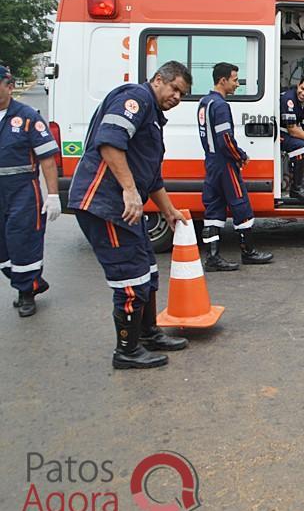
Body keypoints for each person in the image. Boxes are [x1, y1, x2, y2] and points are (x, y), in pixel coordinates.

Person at [67, 61, 192, 369]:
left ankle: (148, 333)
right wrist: (128, 189)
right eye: (174, 88)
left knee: (148, 270)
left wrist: (169, 211)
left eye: (183, 94)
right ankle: (127, 350)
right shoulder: (135, 98)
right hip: (105, 205)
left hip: (121, 208)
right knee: (130, 277)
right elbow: (110, 141)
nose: (177, 97)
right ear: (158, 79)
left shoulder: (153, 116)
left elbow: (152, 177)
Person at [198, 62, 273, 271]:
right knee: (241, 205)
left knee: (213, 208)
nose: (237, 84)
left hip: (211, 162)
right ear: (223, 81)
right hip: (225, 164)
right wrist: (240, 156)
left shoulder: (204, 102)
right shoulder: (221, 105)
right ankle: (248, 252)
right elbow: (225, 139)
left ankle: (212, 258)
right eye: (234, 80)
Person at [0, 65, 61, 317]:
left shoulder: (27, 117)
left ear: (9, 85)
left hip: (22, 190)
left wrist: (54, 195)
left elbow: (47, 158)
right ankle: (32, 282)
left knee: (23, 241)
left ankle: (26, 293)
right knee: (3, 249)